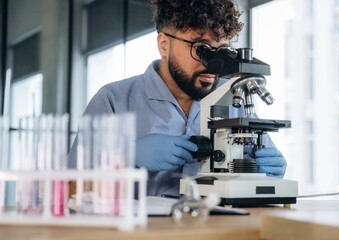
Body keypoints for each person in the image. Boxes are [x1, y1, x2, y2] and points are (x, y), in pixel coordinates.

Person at [68, 0, 287, 197]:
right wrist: (126, 158)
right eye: (202, 50)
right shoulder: (113, 101)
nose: (214, 64)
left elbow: (264, 167)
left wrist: (270, 171)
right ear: (164, 45)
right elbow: (68, 191)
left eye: (221, 51)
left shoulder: (232, 96)